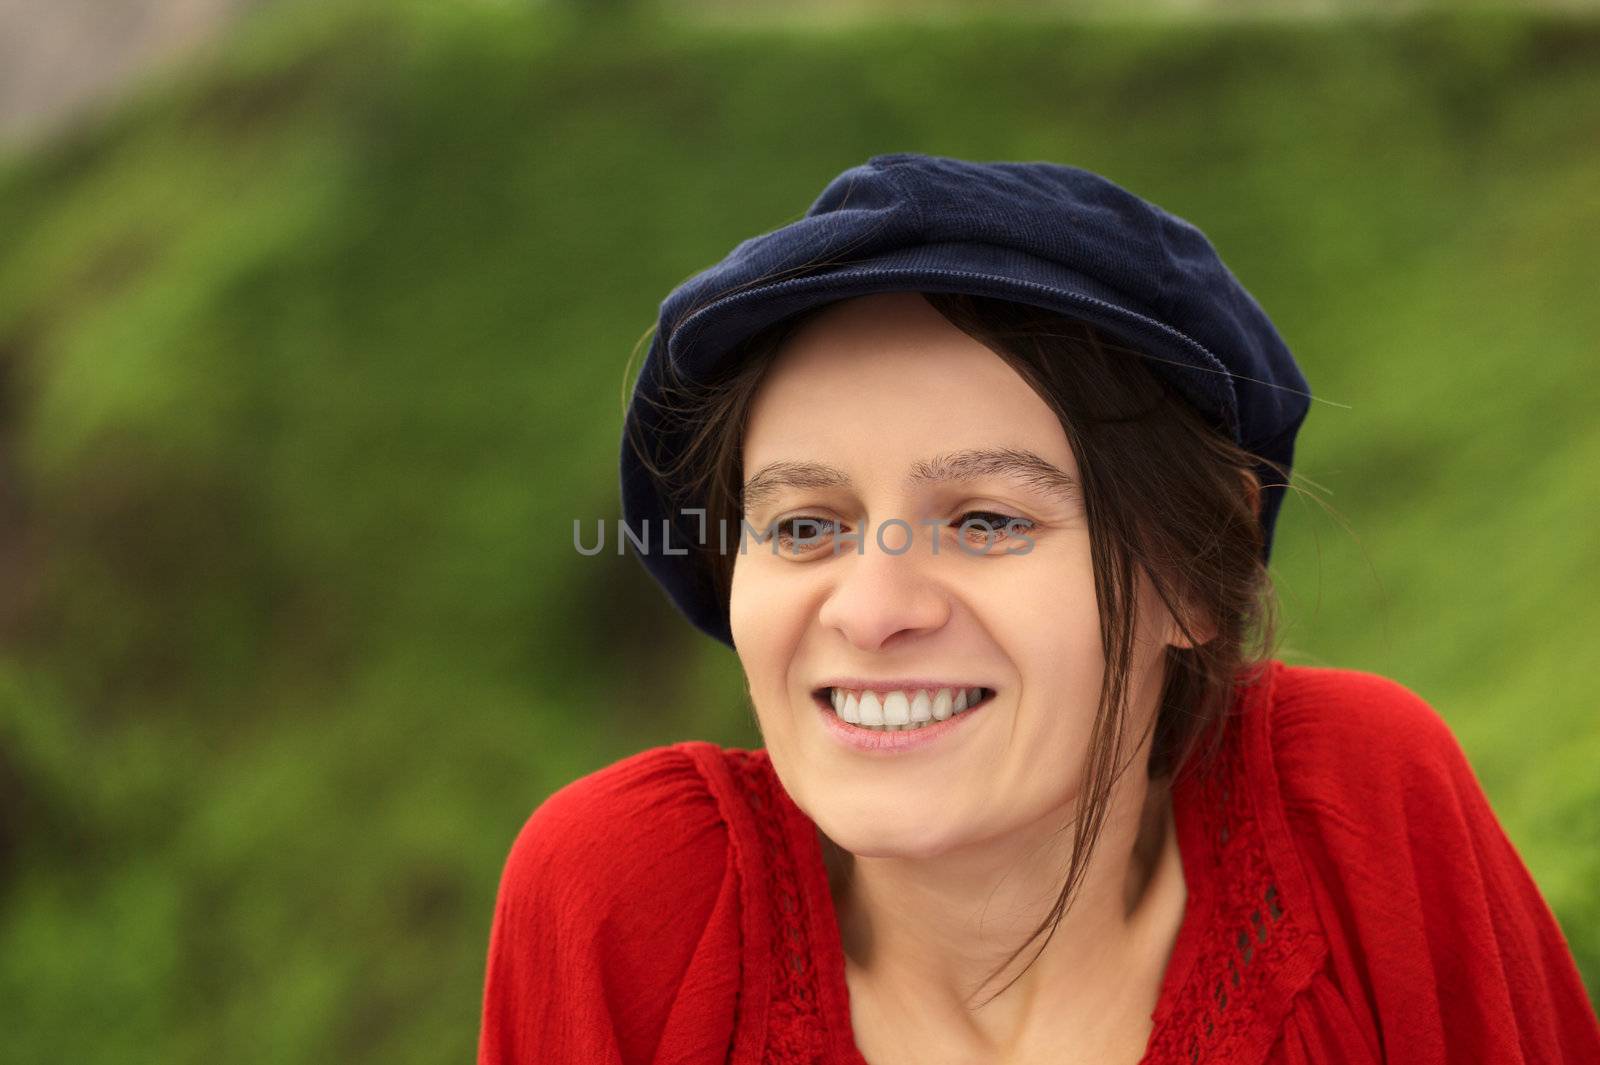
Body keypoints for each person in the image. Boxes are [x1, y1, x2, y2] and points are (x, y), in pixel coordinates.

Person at [476, 153, 1600, 1064]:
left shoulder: (1354, 814)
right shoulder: (630, 902)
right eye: (804, 526)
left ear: (1191, 570)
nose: (870, 612)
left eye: (986, 521)